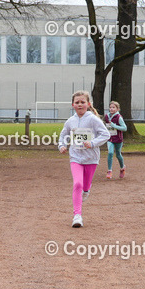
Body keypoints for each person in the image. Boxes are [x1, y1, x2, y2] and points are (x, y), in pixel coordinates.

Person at [58, 91, 109, 227]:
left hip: (91, 158)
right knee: (77, 184)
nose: (80, 104)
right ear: (73, 104)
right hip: (75, 157)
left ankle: (86, 190)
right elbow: (63, 135)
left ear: (88, 104)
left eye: (82, 102)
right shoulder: (70, 121)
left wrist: (92, 143)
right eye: (77, 102)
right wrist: (62, 145)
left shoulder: (93, 119)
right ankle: (77, 216)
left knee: (85, 186)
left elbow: (105, 134)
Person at [104, 100, 127, 179]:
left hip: (118, 139)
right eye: (110, 107)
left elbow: (124, 128)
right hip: (110, 138)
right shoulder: (107, 116)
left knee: (118, 154)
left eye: (113, 107)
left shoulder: (119, 117)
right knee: (110, 153)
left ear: (117, 109)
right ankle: (109, 171)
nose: (111, 109)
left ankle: (122, 168)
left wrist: (114, 126)